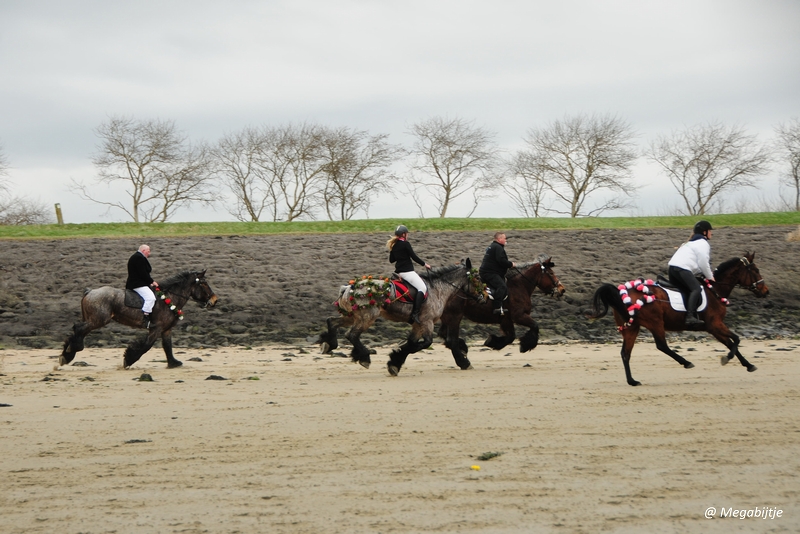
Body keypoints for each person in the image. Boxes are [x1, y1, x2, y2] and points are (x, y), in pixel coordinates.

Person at [668, 220, 715, 326]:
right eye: (709, 231)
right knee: (696, 289)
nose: (711, 233)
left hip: (672, 269)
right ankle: (690, 316)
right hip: (682, 269)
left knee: (686, 290)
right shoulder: (703, 243)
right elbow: (703, 263)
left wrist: (701, 272)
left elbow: (695, 265)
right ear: (704, 232)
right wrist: (710, 276)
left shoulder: (689, 243)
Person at [387, 225, 431, 324]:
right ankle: (415, 313)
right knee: (422, 288)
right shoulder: (406, 244)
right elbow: (414, 257)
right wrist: (425, 264)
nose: (408, 235)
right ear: (403, 234)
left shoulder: (394, 245)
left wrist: (393, 251)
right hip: (407, 272)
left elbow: (391, 260)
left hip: (399, 273)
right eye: (407, 234)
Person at [479, 232, 516, 315]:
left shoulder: (492, 246)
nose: (506, 240)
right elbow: (501, 260)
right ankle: (497, 307)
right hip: (490, 273)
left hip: (485, 272)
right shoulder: (498, 248)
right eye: (504, 238)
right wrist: (511, 264)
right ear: (499, 239)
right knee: (502, 286)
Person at [126, 244, 157, 328]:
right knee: (151, 298)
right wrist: (152, 281)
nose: (149, 253)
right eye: (148, 251)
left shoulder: (138, 257)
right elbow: (143, 273)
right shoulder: (138, 258)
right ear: (143, 251)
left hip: (140, 282)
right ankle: (144, 319)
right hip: (137, 284)